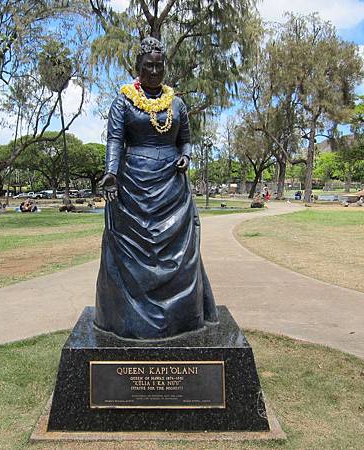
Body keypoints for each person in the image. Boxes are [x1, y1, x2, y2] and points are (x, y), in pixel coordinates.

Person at [95, 36, 218, 340]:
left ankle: (181, 318)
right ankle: (129, 319)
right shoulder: (123, 101)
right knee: (132, 256)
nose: (153, 71)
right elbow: (114, 140)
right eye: (148, 66)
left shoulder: (176, 103)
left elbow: (185, 139)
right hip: (132, 185)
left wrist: (186, 155)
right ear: (138, 67)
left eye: (158, 66)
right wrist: (111, 172)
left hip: (172, 188)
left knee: (180, 254)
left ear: (165, 67)